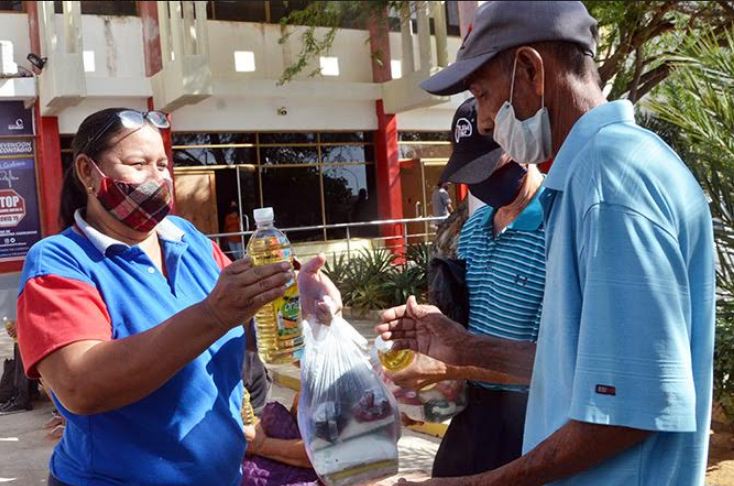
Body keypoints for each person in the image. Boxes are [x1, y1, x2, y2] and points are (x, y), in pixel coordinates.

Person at [379, 2, 715, 485]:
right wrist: (462, 346)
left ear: (531, 71)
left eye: (484, 94)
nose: (488, 122)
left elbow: (625, 414)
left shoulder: (610, 182)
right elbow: (583, 373)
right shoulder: (602, 173)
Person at [15, 107, 339, 486]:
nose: (157, 179)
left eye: (163, 165)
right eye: (138, 164)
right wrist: (213, 315)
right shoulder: (60, 260)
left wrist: (297, 308)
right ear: (88, 172)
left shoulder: (187, 238)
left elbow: (243, 329)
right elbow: (80, 386)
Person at [387, 97, 546, 477]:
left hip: (534, 418)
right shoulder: (474, 229)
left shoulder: (559, 226)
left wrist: (453, 359)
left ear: (522, 147)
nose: (480, 184)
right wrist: (432, 340)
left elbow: (560, 361)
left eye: (488, 168)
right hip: (474, 411)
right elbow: (468, 327)